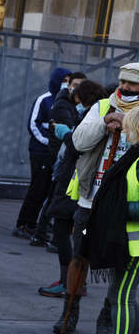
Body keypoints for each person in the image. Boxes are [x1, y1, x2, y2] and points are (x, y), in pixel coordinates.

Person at [53, 63, 139, 334]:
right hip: (90, 200)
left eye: (132, 84)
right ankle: (70, 311)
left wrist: (128, 126)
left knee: (122, 262)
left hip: (128, 205)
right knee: (80, 257)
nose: (125, 88)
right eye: (123, 82)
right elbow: (78, 142)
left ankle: (108, 316)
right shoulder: (102, 106)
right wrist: (103, 124)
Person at [81, 107, 139, 334]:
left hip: (132, 244)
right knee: (122, 297)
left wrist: (118, 215)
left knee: (122, 298)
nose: (125, 131)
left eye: (129, 126)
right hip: (128, 242)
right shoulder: (134, 156)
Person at [39, 80, 106, 299]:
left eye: (77, 99)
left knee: (63, 229)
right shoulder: (97, 115)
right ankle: (74, 281)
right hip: (79, 181)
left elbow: (79, 145)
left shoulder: (93, 117)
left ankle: (68, 282)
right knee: (77, 234)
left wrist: (65, 134)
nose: (75, 105)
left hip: (74, 180)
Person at [13, 67, 72, 239]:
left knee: (48, 190)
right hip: (41, 151)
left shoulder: (68, 102)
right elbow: (33, 125)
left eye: (69, 81)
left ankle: (39, 223)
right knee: (37, 188)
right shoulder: (44, 99)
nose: (67, 84)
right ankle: (24, 224)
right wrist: (48, 141)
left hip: (55, 151)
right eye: (64, 80)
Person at [31, 71, 87, 248]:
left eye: (81, 86)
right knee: (55, 197)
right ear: (69, 86)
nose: (78, 89)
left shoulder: (72, 105)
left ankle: (43, 233)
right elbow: (68, 133)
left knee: (54, 196)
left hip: (62, 156)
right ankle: (46, 234)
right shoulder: (62, 104)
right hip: (59, 157)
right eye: (75, 85)